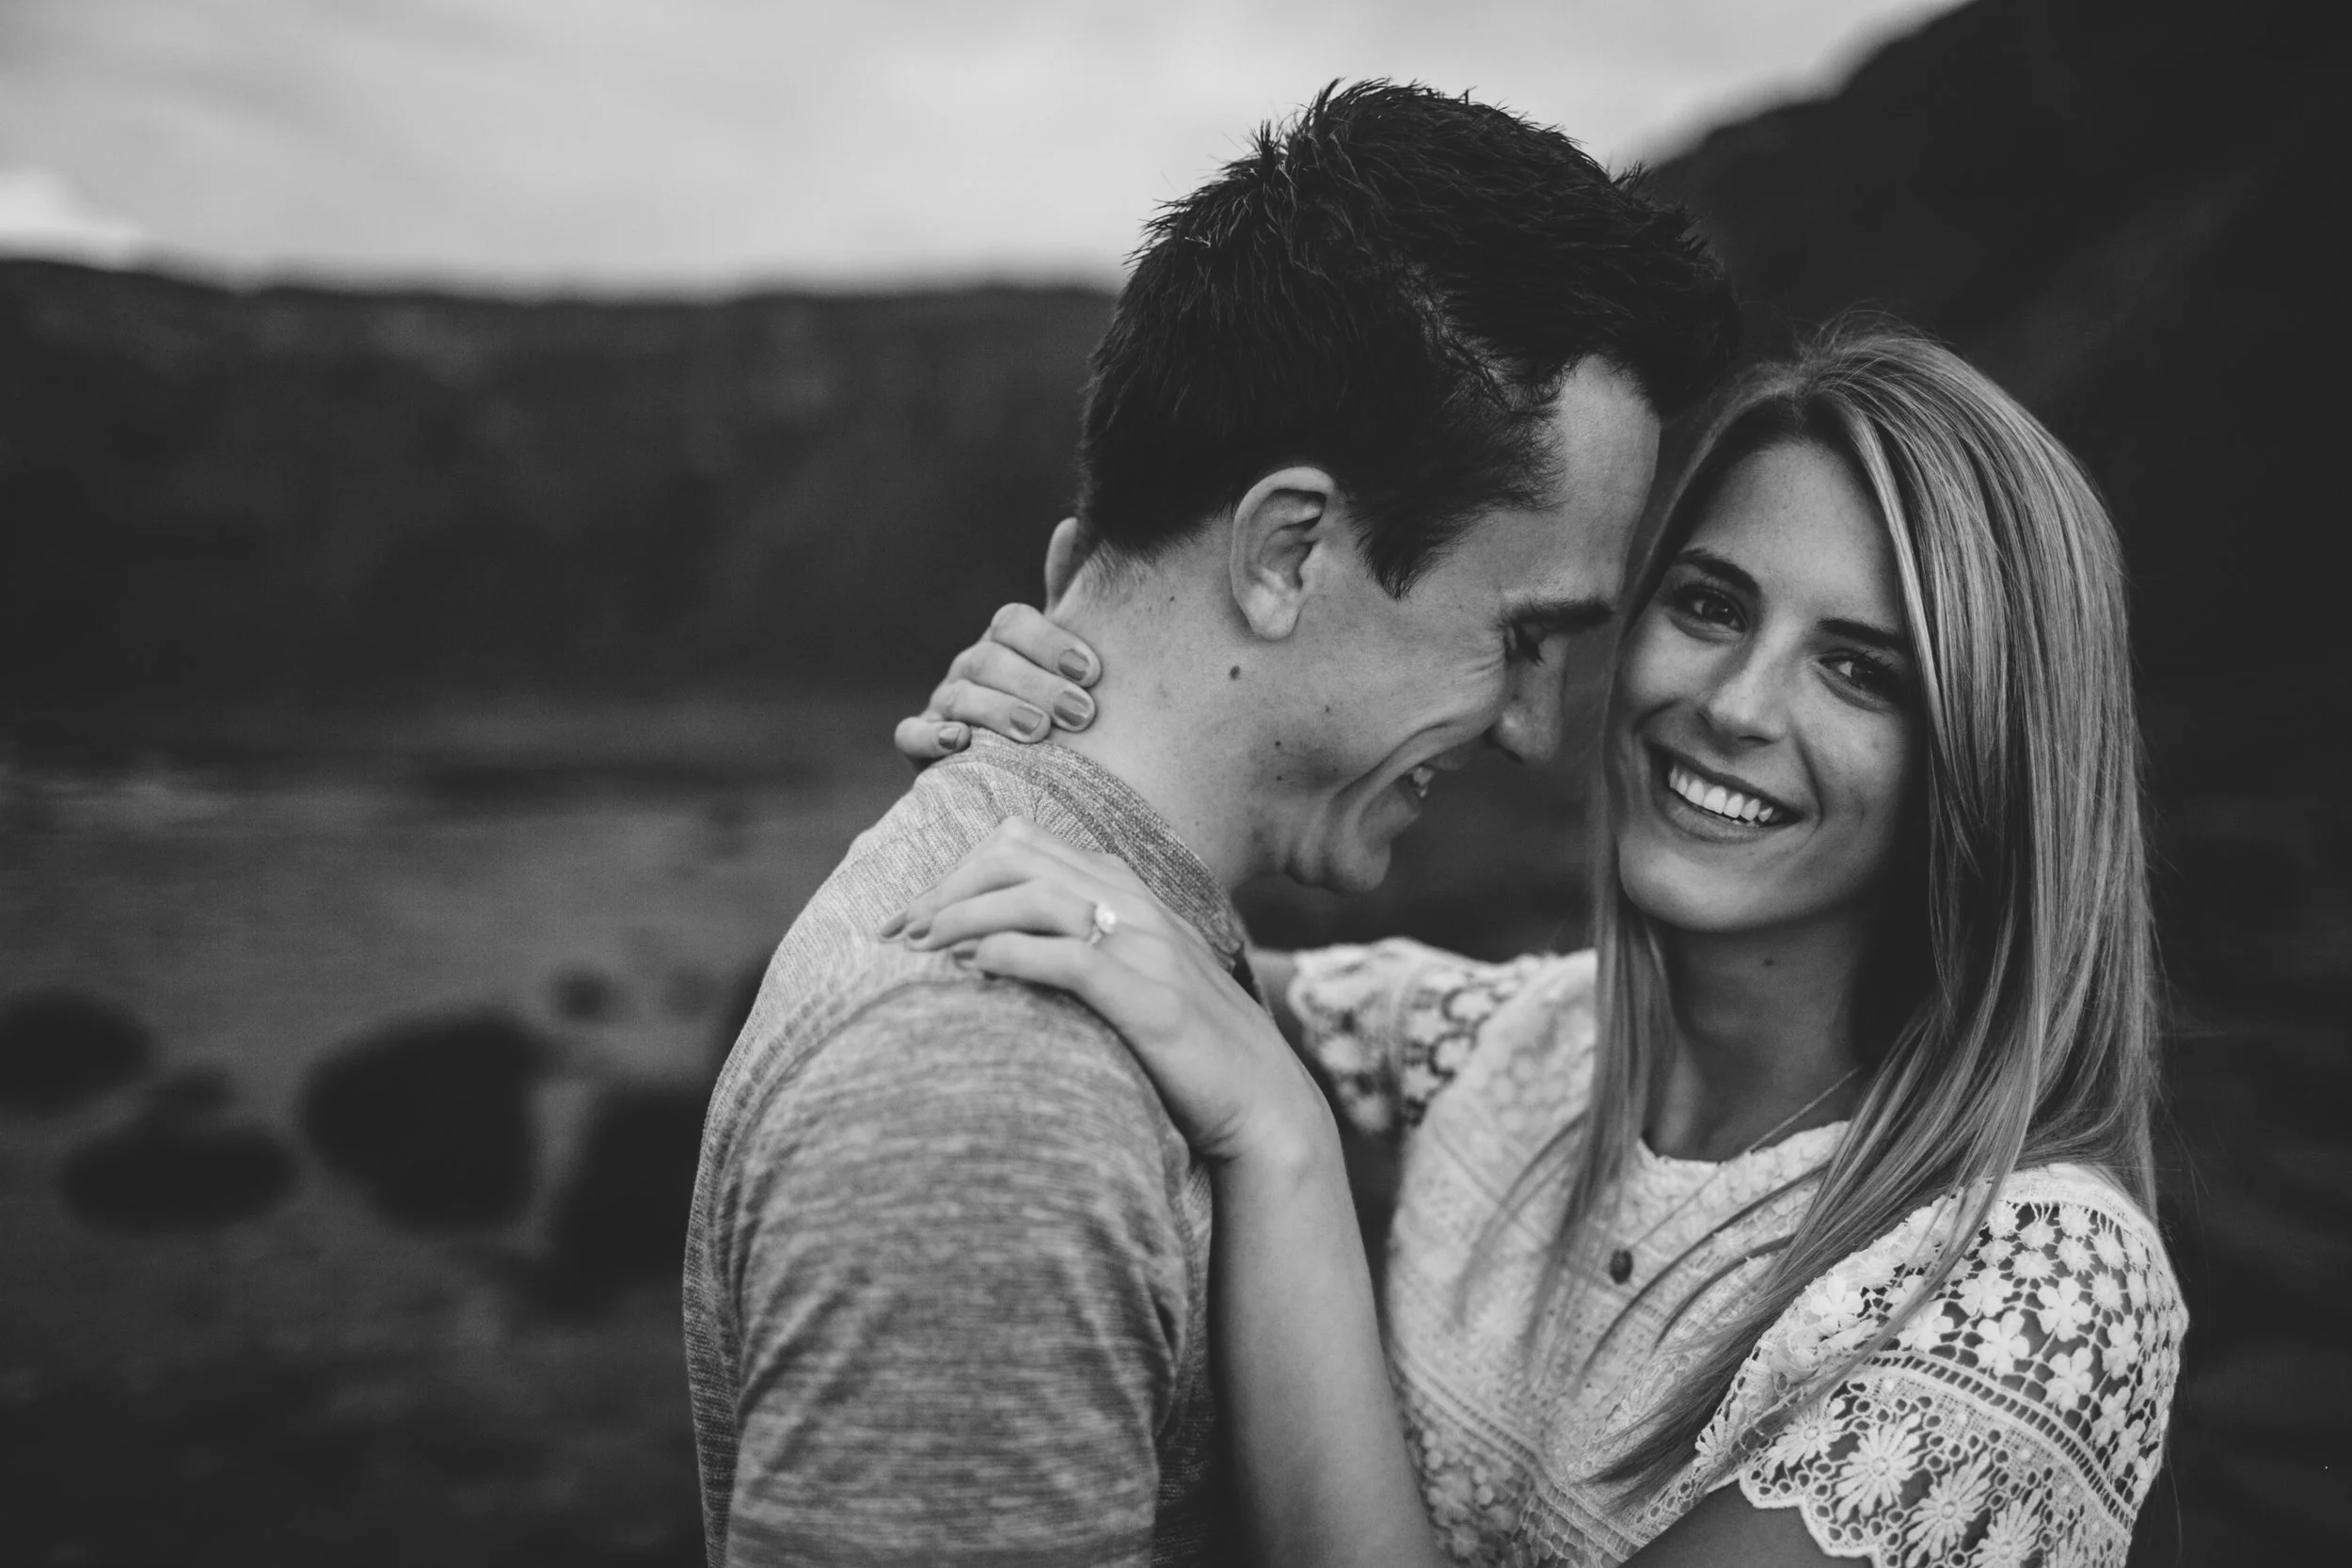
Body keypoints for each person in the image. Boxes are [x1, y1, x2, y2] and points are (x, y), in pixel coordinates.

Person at [888, 324, 2185, 1566]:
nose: (1733, 704)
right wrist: (1056, 733)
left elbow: (1230, 1050)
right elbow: (1149, 958)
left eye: (1860, 672)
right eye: (1712, 606)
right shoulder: (1512, 1044)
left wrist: (1283, 1147)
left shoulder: (2043, 1288)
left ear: (1992, 764)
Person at [683, 81, 1738, 1567]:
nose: (1536, 728)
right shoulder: (998, 1089)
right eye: (1522, 634)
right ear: (1288, 551)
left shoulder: (1121, 931)